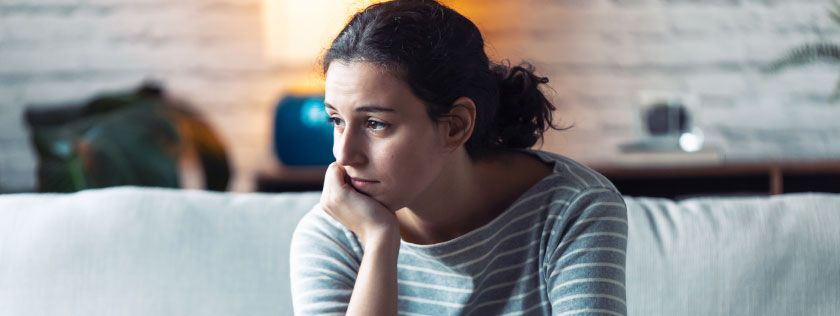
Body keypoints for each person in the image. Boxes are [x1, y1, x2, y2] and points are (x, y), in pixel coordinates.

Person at [289, 1, 628, 315]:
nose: (344, 153)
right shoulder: (332, 235)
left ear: (455, 126)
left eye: (376, 124)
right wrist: (380, 241)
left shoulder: (574, 209)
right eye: (336, 120)